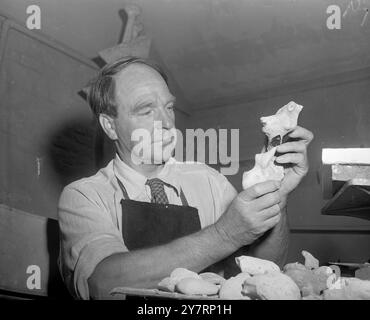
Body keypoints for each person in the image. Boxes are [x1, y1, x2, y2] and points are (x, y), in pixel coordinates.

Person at [58, 57, 313, 299]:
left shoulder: (209, 181)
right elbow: (103, 284)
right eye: (146, 110)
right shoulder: (85, 195)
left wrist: (275, 194)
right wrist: (225, 235)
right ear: (110, 126)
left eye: (168, 107)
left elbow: (267, 267)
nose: (167, 122)